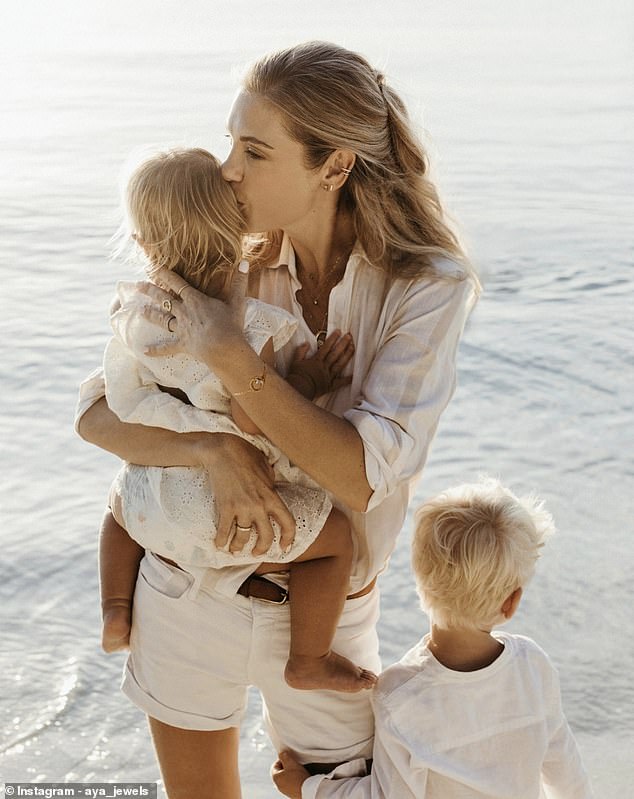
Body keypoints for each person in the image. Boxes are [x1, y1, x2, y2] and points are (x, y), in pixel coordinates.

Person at [76, 41, 478, 798]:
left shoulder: (426, 287)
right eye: (231, 142)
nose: (228, 169)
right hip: (186, 592)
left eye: (255, 152)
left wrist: (235, 360)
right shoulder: (216, 258)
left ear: (335, 166)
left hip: (327, 613)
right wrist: (213, 452)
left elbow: (361, 477)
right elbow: (98, 414)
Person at [99, 146, 377, 695]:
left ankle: (114, 608)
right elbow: (253, 419)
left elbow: (110, 399)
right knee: (337, 541)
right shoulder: (247, 326)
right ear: (241, 231)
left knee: (116, 505)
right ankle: (310, 659)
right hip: (221, 509)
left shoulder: (135, 314)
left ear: (143, 244)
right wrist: (311, 381)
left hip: (152, 505)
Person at [271, 478, 594, 799]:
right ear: (510, 603)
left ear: (420, 577)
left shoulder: (400, 695)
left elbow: (387, 796)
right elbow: (567, 773)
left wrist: (307, 788)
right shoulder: (532, 667)